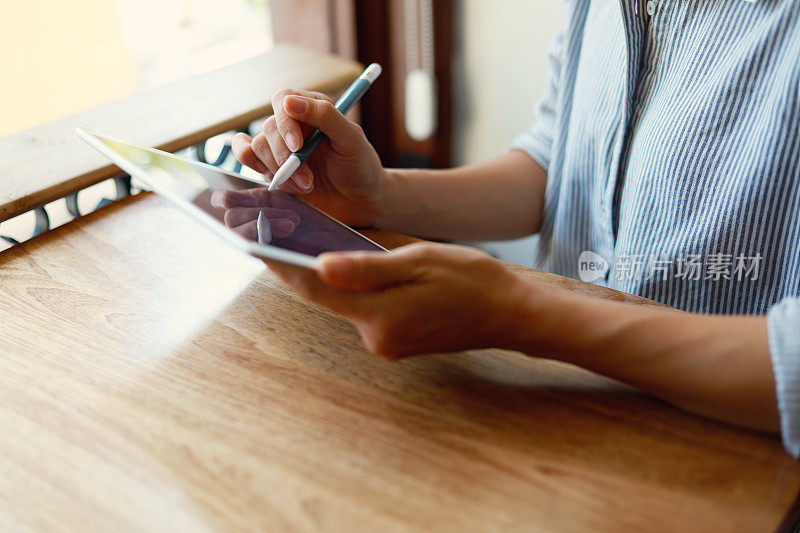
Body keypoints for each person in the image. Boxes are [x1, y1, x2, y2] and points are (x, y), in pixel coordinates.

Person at [226, 2, 800, 456]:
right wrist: (380, 195)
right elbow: (557, 162)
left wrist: (522, 315)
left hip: (739, 466)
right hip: (567, 415)